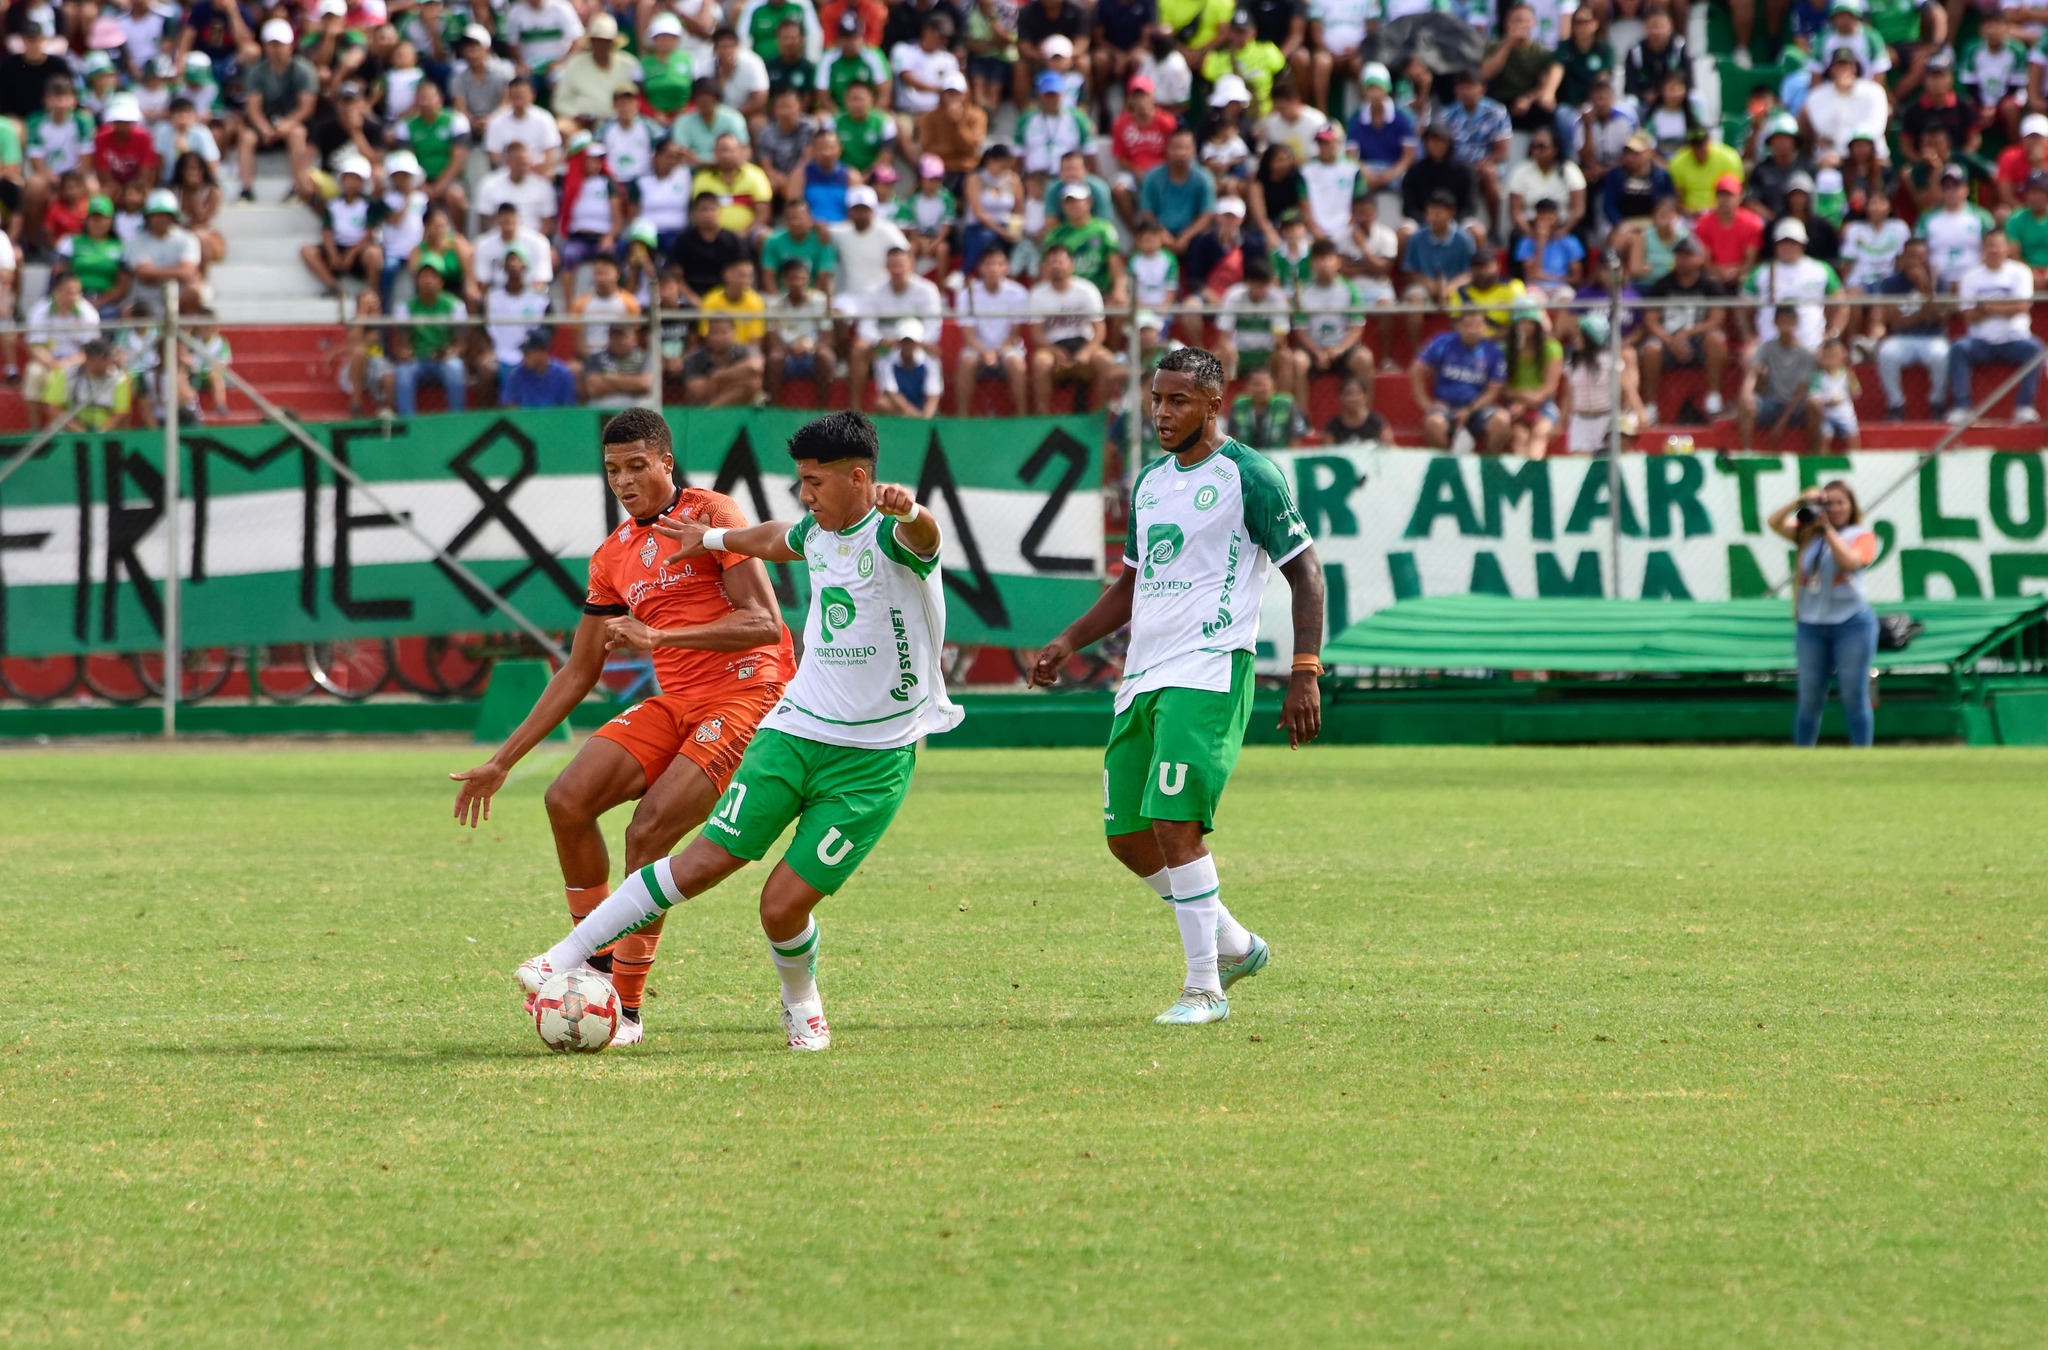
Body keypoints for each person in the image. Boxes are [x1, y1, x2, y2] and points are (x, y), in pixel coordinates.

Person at [517, 411, 963, 1053]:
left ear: (859, 478)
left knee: (781, 907)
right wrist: (715, 542)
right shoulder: (816, 531)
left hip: (874, 759)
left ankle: (801, 1000)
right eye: (801, 482)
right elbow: (780, 535)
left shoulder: (896, 539)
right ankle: (566, 959)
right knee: (695, 859)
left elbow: (926, 537)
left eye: (813, 482)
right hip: (796, 730)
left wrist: (910, 509)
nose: (804, 494)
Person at [458, 409, 790, 1044]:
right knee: (567, 800)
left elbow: (764, 625)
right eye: (613, 469)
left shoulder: (712, 515)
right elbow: (579, 671)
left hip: (749, 693)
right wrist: (503, 761)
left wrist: (660, 634)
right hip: (682, 700)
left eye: (638, 465)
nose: (625, 480)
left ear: (667, 462)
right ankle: (594, 961)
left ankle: (626, 1010)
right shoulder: (612, 556)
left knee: (648, 832)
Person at [1028, 346, 1322, 1025]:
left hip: (1211, 668)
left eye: (1179, 400)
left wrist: (1305, 670)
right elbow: (1134, 582)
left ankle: (1204, 989)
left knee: (1173, 821)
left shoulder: (1251, 476)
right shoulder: (1153, 483)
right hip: (1144, 673)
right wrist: (1070, 639)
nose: (1162, 413)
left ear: (1215, 403)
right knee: (1128, 835)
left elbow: (1306, 572)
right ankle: (1235, 944)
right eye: (1157, 399)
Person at [1768, 481, 1878, 749]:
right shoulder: (1808, 534)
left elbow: (1851, 563)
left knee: (1853, 694)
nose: (1835, 508)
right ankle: (1803, 756)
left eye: (1841, 502)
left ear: (1851, 506)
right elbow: (1773, 522)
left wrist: (1827, 529)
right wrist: (1799, 502)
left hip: (1851, 623)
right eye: (1829, 503)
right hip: (1811, 624)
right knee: (1809, 697)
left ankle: (1862, 755)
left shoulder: (1861, 535)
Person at [1946, 230, 2043, 426]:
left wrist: (1986, 307)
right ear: (1983, 249)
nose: (1994, 250)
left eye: (1998, 245)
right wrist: (2004, 308)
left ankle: (2025, 407)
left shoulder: (2020, 272)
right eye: (1990, 245)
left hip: (2015, 339)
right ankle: (1962, 407)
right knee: (1958, 349)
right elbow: (1967, 314)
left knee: (2036, 349)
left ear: (2006, 248)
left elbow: (2022, 307)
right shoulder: (1971, 276)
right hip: (1980, 341)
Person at [1638, 237, 1730, 420]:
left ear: (1700, 258)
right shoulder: (1662, 284)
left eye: (1687, 255)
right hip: (1667, 341)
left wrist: (1687, 333)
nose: (1682, 260)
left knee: (1716, 339)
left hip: (1698, 340)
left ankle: (1713, 397)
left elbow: (1717, 319)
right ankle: (1650, 406)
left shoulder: (1710, 285)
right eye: (1679, 255)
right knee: (1650, 349)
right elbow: (1651, 320)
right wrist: (1670, 340)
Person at [1027, 241, 1115, 413]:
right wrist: (1054, 351)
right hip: (1054, 345)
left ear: (1071, 265)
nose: (1056, 266)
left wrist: (1087, 352)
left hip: (1084, 342)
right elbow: (1037, 334)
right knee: (1041, 362)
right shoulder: (1038, 294)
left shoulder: (1087, 290)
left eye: (1060, 261)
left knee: (1107, 361)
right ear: (1045, 266)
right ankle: (1043, 415)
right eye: (1051, 261)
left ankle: (1101, 414)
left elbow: (1100, 331)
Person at [1872, 237, 1952, 420]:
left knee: (1941, 355)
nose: (1917, 261)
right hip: (1902, 337)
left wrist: (1926, 291)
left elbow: (1939, 319)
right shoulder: (1891, 283)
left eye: (1922, 256)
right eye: (1912, 256)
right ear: (1904, 258)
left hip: (1933, 337)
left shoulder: (1938, 282)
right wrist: (1923, 314)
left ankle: (1937, 401)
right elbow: (1897, 321)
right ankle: (1895, 404)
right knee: (1886, 353)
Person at [1414, 309, 1509, 453]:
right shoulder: (1442, 343)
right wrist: (1426, 403)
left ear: (1485, 328)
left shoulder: (1493, 352)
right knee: (1434, 423)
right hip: (1446, 407)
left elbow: (1493, 391)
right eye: (1468, 325)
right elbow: (1417, 370)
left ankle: (1488, 465)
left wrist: (1470, 409)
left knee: (1502, 420)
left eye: (1477, 325)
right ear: (1459, 326)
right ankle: (1447, 464)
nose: (1472, 330)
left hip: (1477, 408)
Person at [954, 243, 1031, 415]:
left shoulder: (1018, 293)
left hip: (1008, 347)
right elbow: (968, 334)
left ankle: (1022, 415)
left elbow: (1015, 333)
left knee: (1016, 363)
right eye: (989, 264)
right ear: (981, 268)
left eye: (999, 264)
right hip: (977, 346)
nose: (994, 269)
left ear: (1006, 268)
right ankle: (962, 416)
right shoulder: (968, 293)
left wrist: (997, 352)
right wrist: (985, 352)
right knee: (967, 362)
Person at [1736, 306, 1824, 452]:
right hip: (1772, 402)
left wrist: (1781, 422)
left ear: (1796, 324)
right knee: (1746, 401)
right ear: (1775, 324)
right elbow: (1753, 373)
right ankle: (1747, 452)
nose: (1786, 327)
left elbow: (1801, 391)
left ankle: (1814, 454)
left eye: (1789, 322)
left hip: (1796, 406)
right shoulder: (1766, 348)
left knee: (1815, 403)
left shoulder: (1806, 353)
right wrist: (1747, 393)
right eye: (1782, 322)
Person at [392, 259, 468, 415]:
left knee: (455, 367)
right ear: (417, 281)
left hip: (443, 360)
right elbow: (403, 343)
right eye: (424, 276)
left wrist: (448, 353)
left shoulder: (455, 306)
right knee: (403, 372)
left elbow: (461, 344)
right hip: (417, 360)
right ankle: (408, 422)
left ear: (441, 281)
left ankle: (457, 418)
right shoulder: (406, 307)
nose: (428, 281)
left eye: (433, 276)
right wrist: (406, 353)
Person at [764, 257, 838, 400]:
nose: (798, 283)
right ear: (784, 280)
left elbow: (827, 336)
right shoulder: (774, 305)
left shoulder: (819, 300)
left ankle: (822, 406)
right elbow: (773, 339)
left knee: (825, 356)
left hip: (812, 352)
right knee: (774, 358)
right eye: (793, 278)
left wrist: (810, 346)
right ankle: (776, 407)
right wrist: (790, 348)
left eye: (802, 278)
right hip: (786, 354)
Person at [1502, 303, 1564, 458]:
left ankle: (1535, 479)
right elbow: (1503, 388)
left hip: (1544, 405)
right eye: (1521, 321)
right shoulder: (1506, 350)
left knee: (1540, 432)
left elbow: (1550, 388)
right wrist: (1522, 401)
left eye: (1529, 322)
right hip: (1514, 407)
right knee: (1519, 436)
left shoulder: (1551, 348)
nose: (1525, 326)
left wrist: (1526, 402)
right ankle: (1521, 480)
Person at [501, 329, 580, 407]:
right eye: (523, 353)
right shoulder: (516, 376)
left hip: (555, 419)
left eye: (528, 353)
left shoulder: (563, 375)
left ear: (543, 352)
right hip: (525, 419)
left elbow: (568, 410)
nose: (524, 357)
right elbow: (510, 412)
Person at [1813, 335, 1861, 449]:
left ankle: (1856, 462)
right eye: (1826, 356)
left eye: (1833, 356)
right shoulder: (1818, 376)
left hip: (1845, 415)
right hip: (1826, 416)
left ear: (1842, 355)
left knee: (1852, 436)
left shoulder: (1848, 374)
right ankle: (1822, 463)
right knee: (1825, 436)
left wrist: (1851, 381)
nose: (1830, 360)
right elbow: (1813, 395)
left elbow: (1857, 393)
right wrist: (1827, 400)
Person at [1322, 376, 1387, 444]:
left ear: (1365, 397)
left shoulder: (1376, 423)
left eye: (1357, 394)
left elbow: (1388, 450)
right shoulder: (1333, 426)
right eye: (1348, 394)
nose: (1353, 399)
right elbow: (1327, 452)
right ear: (1341, 398)